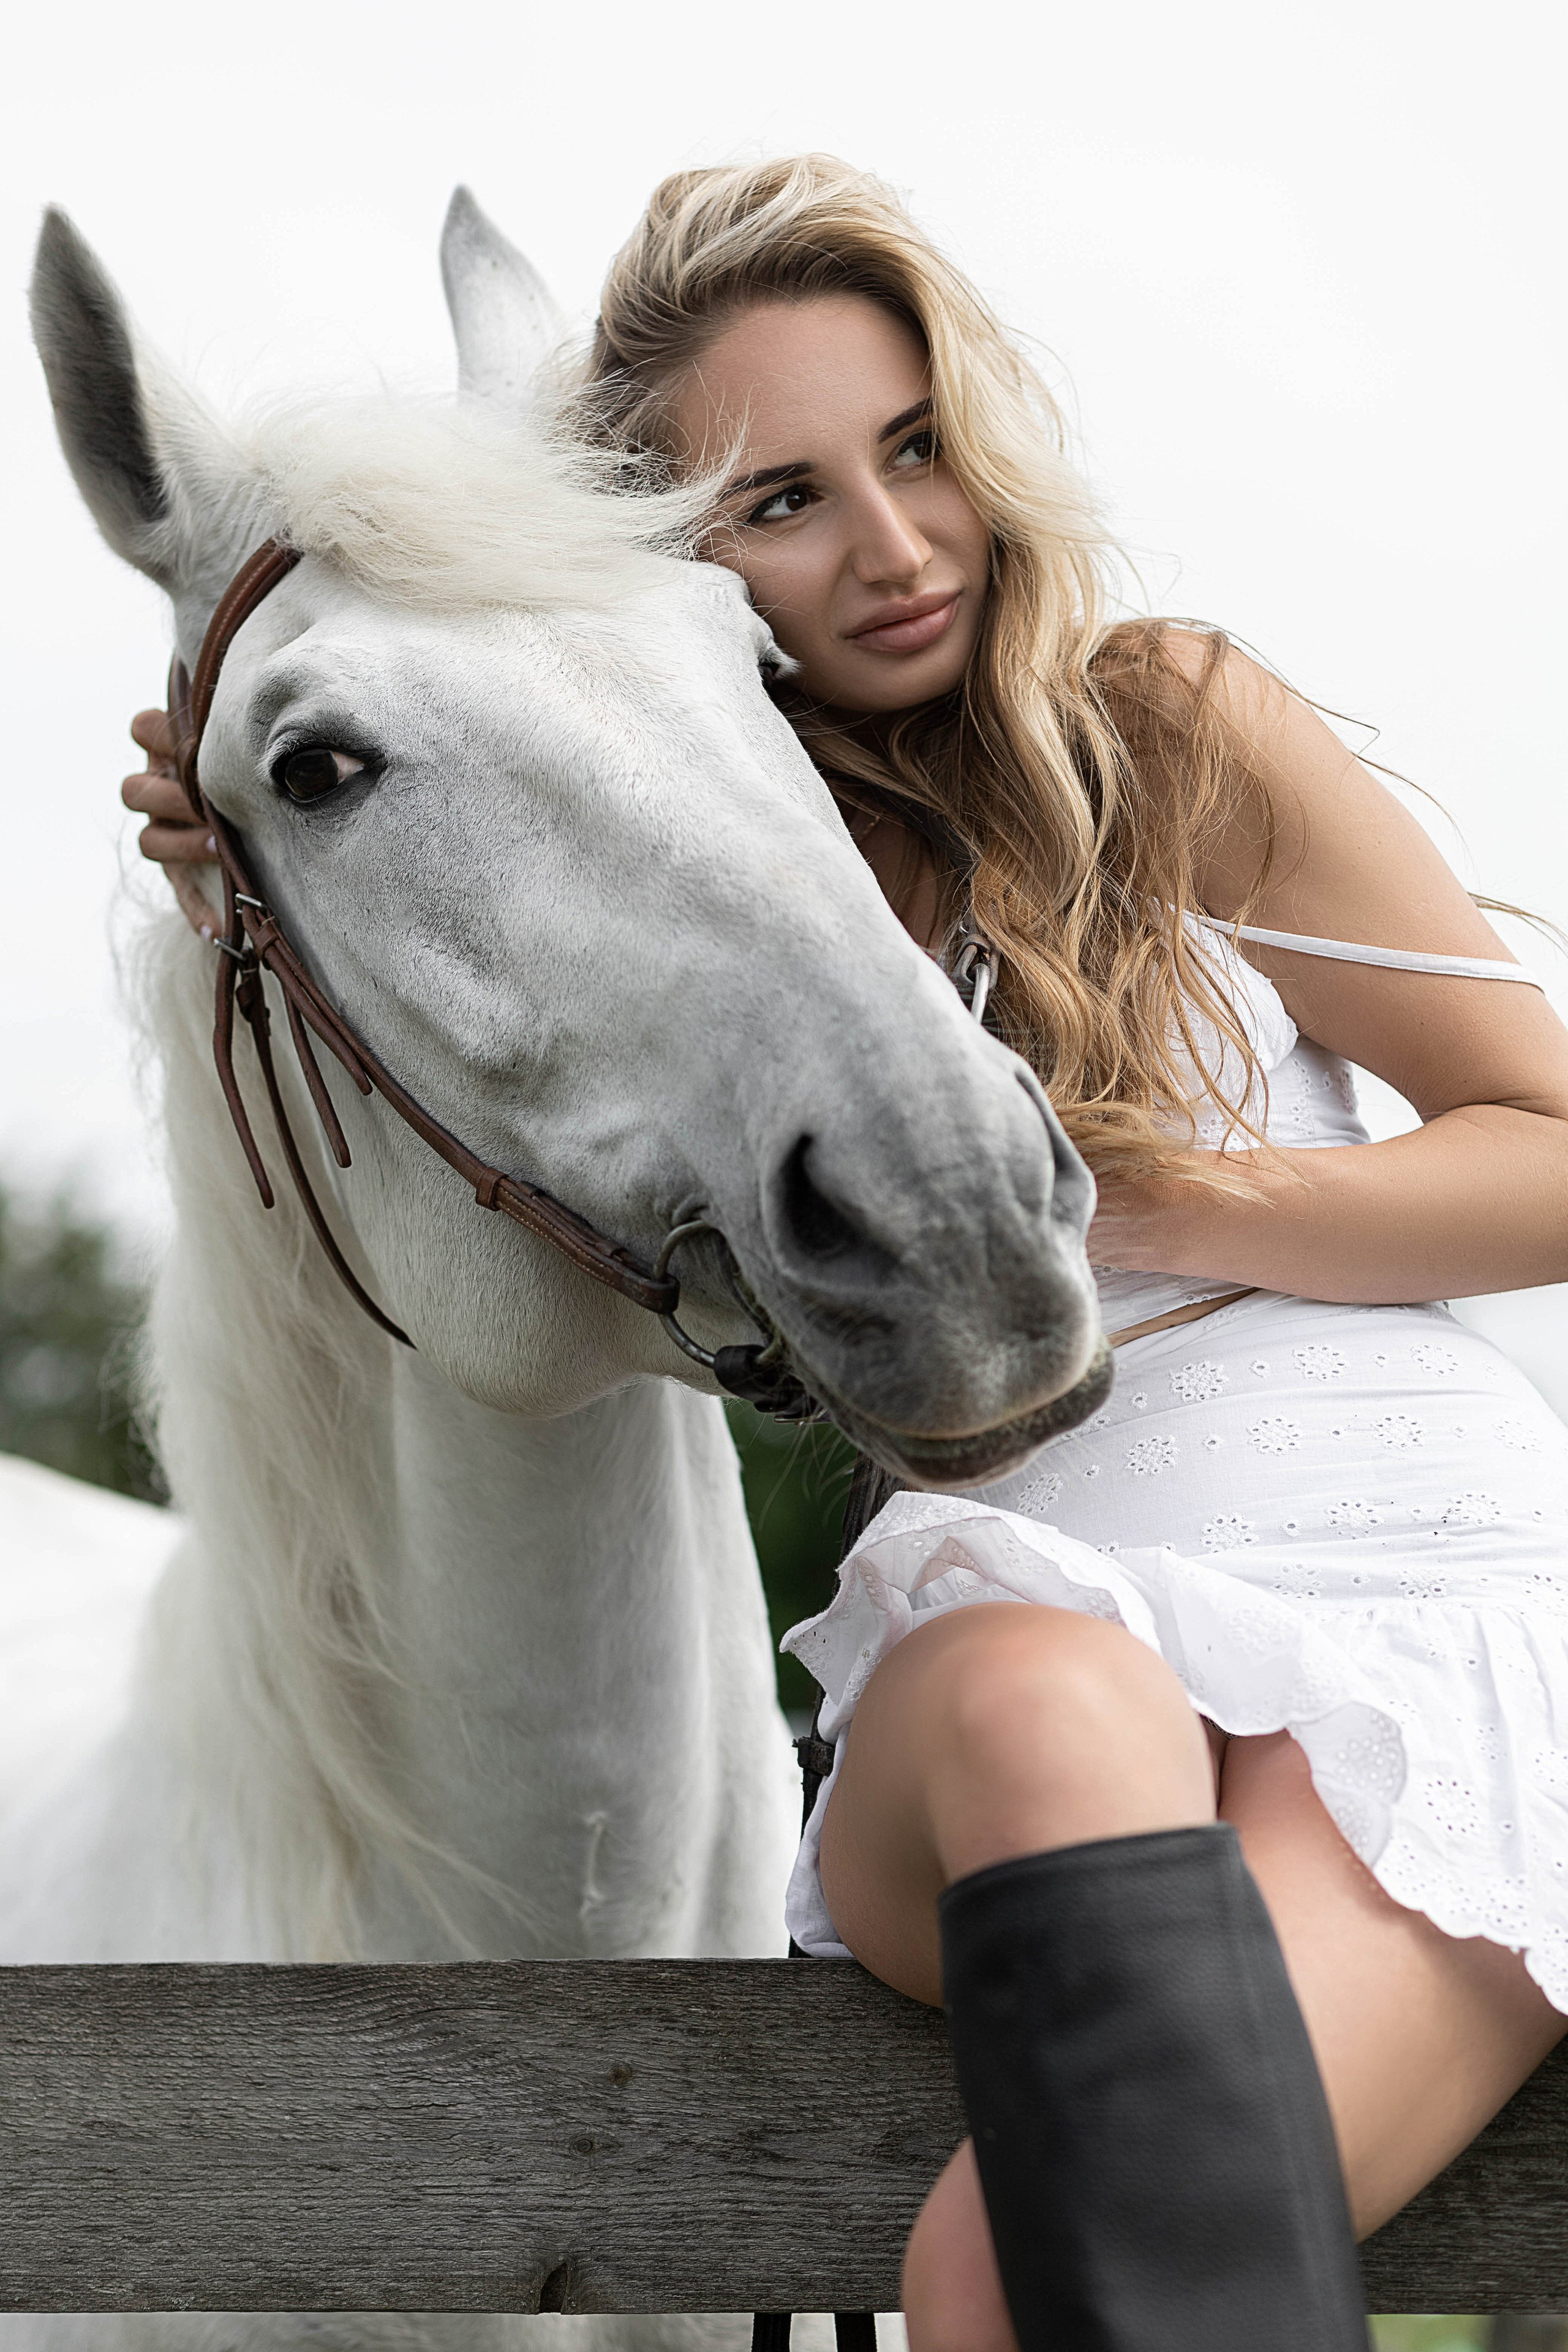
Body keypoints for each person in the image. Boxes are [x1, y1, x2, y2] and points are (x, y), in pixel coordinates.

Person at [124, 157, 1568, 2352]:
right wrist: (240, 780)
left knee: (982, 2294)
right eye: (783, 500)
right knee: (1022, 1682)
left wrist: (1160, 1202)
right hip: (1054, 1632)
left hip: (1441, 1622)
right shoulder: (728, 841)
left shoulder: (1160, 726)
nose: (892, 546)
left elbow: (1546, 1149)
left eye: (916, 453)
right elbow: (452, 775)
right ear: (676, 560)